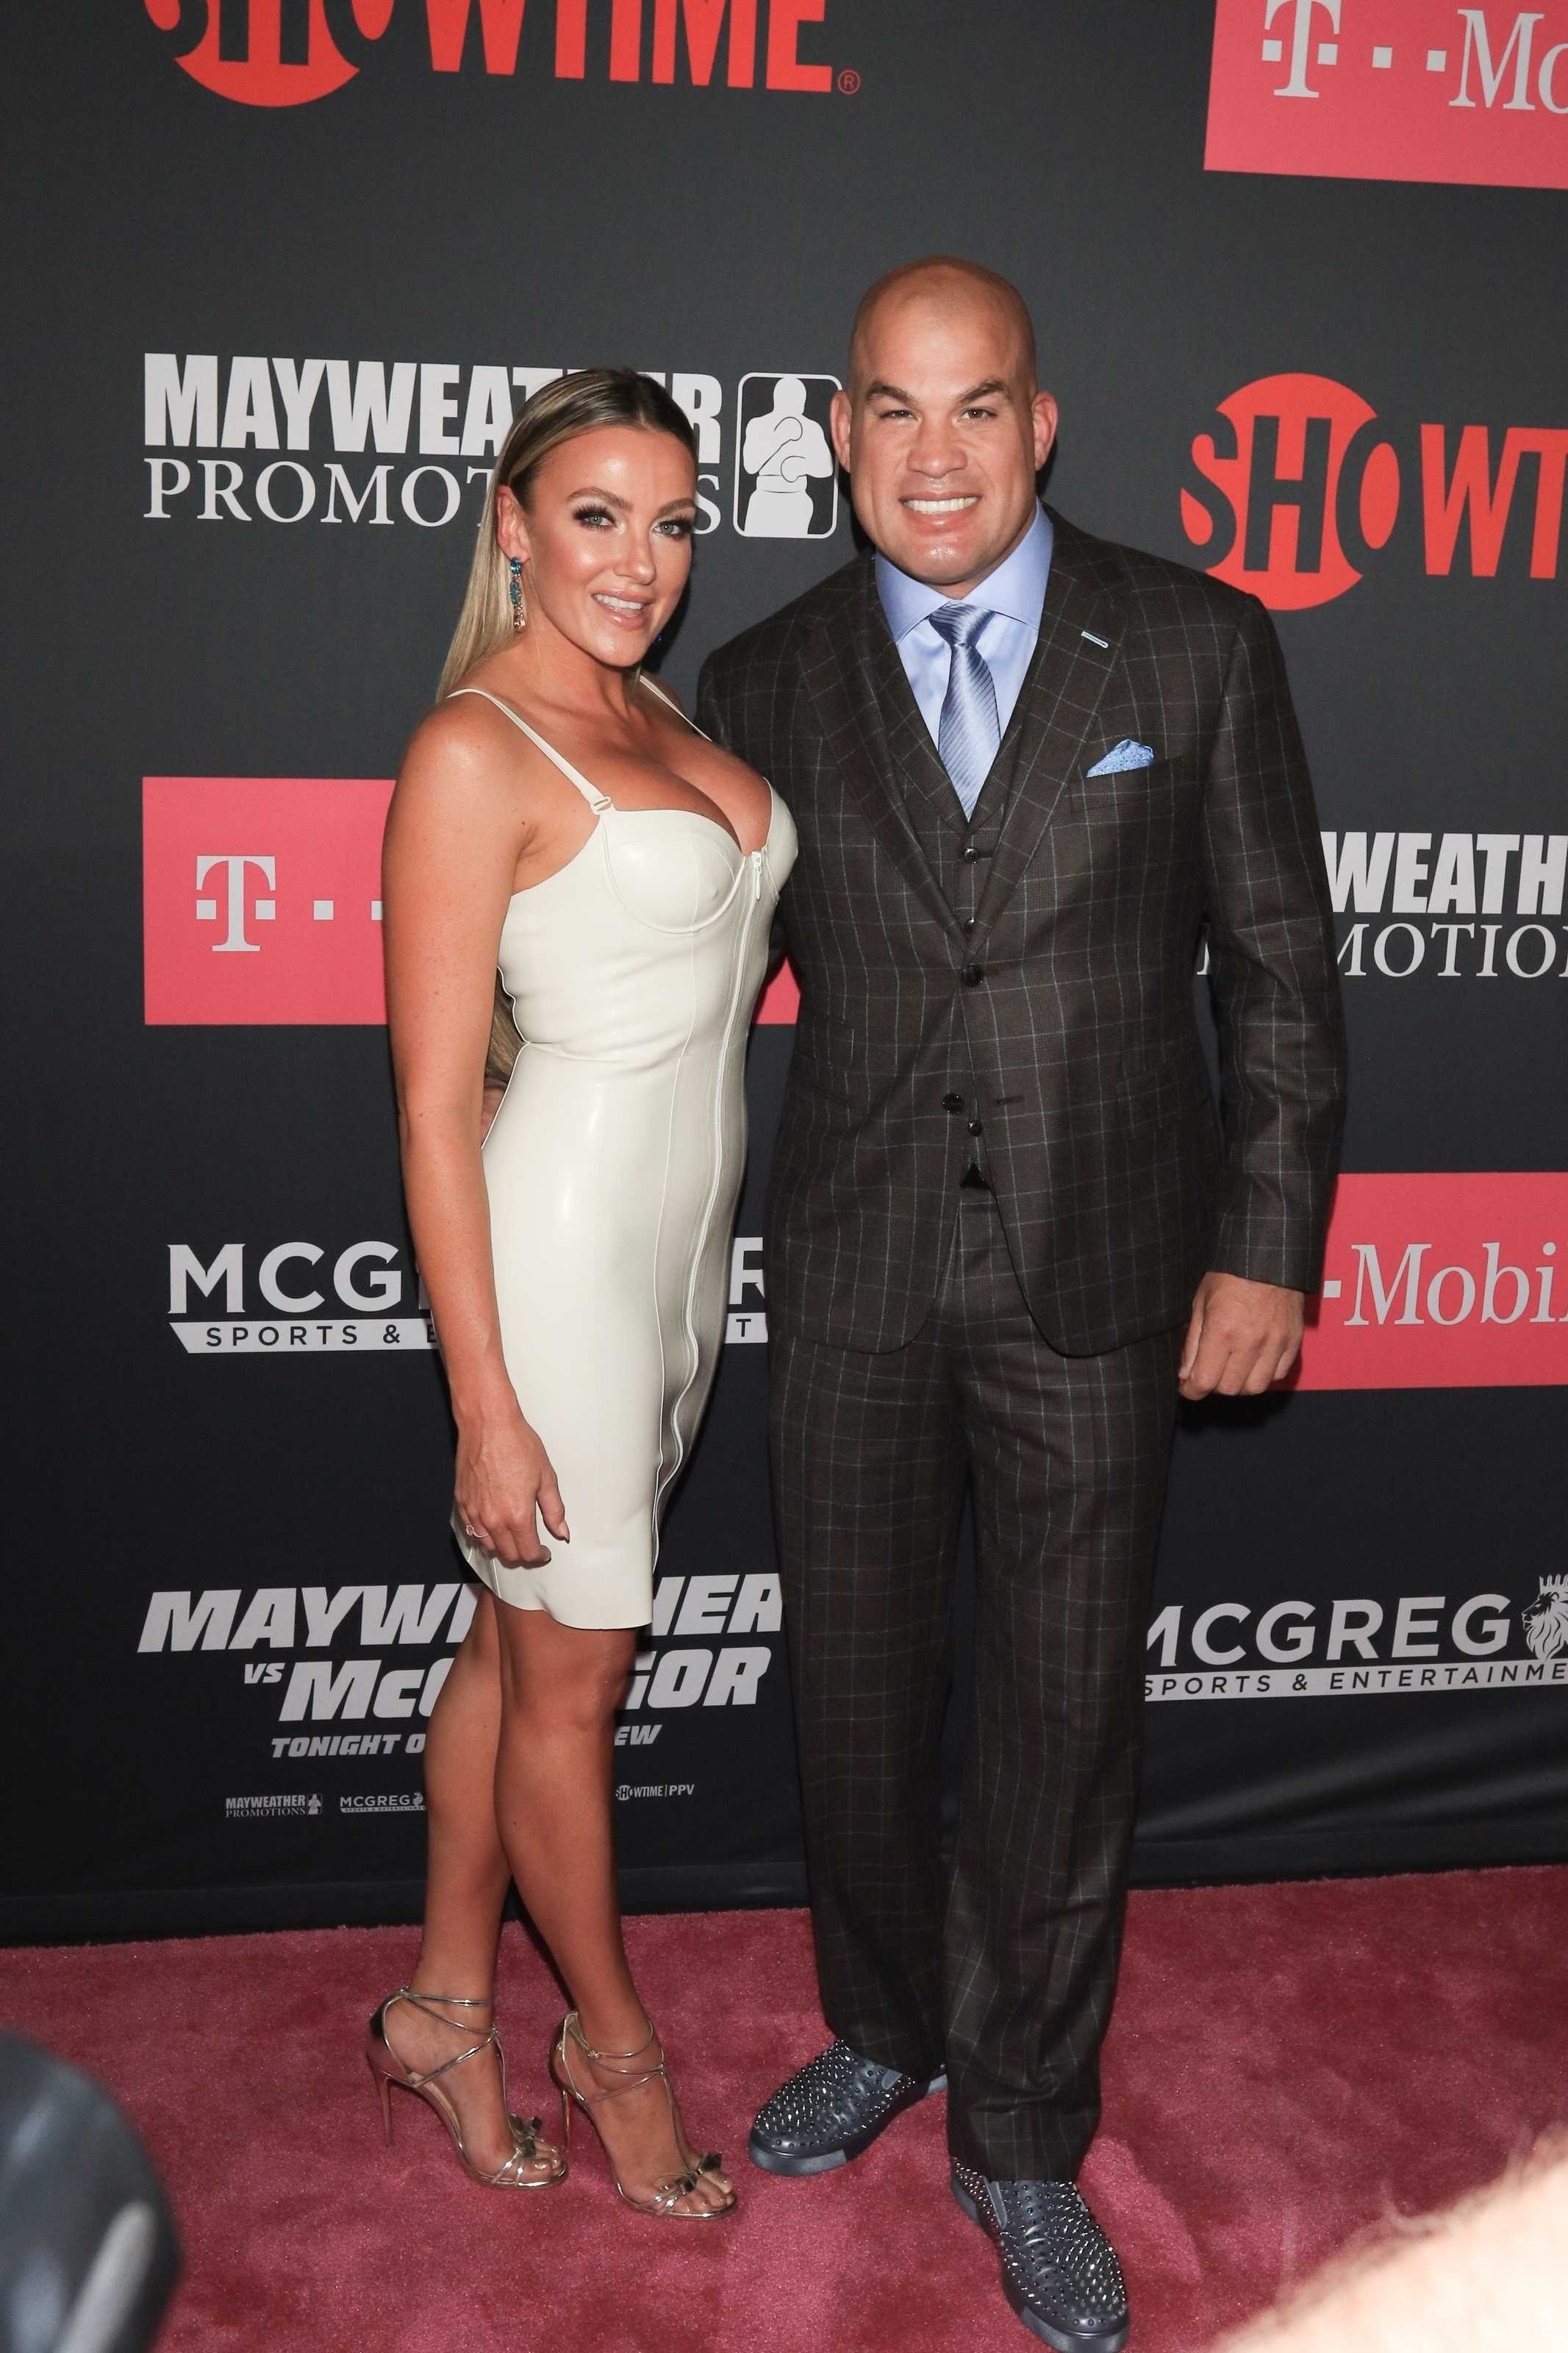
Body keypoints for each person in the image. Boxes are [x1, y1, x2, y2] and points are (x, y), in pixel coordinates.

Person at [698, 261, 1346, 2345]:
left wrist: (1262, 1245)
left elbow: (1279, 973)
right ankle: (885, 2025)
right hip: (857, 1267)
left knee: (1061, 1726)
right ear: (835, 434)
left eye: (973, 406)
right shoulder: (762, 678)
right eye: (891, 410)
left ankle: (1024, 2133)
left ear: (1038, 425)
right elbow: (688, 991)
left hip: (1104, 1270)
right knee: (857, 1701)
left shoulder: (1191, 639)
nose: (934, 454)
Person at [374, 368, 794, 2221]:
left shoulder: (653, 712)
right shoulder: (474, 750)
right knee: (571, 1689)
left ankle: (441, 2008)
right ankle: (610, 2049)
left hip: (677, 1272)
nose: (642, 558)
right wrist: (485, 1402)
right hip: (554, 1268)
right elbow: (430, 1108)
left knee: (510, 1649)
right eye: (598, 515)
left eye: (674, 520)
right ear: (514, 526)